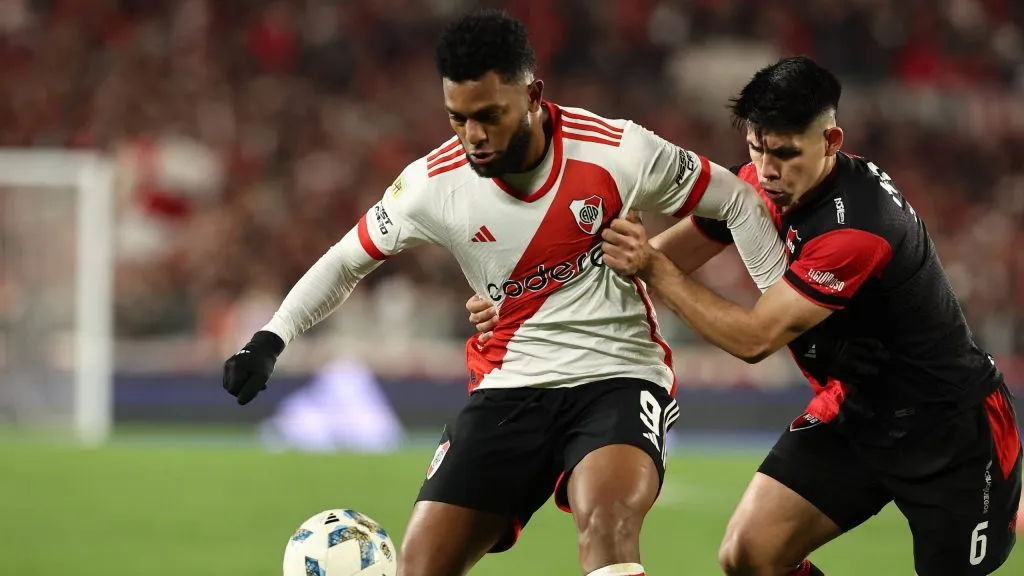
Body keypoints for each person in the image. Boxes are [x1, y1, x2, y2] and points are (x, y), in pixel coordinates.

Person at [221, 9, 788, 576]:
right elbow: (347, 260)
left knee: (607, 528)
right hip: (509, 385)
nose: (474, 136)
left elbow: (738, 199)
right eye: (458, 118)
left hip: (617, 374)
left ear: (533, 96)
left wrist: (781, 302)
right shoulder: (432, 185)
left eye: (489, 116)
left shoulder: (616, 151)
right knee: (421, 567)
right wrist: (272, 337)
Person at [599, 56, 1021, 576]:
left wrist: (651, 266)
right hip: (856, 412)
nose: (767, 170)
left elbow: (754, 338)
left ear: (831, 141)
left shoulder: (857, 228)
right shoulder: (758, 186)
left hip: (949, 428)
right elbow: (661, 259)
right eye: (756, 148)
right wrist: (602, 261)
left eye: (785, 153)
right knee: (749, 555)